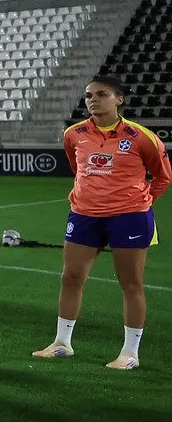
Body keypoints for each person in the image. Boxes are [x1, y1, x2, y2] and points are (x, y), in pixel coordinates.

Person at [32, 75, 170, 370]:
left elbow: (163, 176)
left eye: (101, 94)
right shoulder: (73, 134)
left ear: (118, 99)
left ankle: (130, 353)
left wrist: (141, 201)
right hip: (84, 215)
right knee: (70, 278)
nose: (93, 100)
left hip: (129, 217)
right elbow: (77, 167)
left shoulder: (141, 136)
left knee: (130, 284)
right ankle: (62, 343)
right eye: (88, 96)